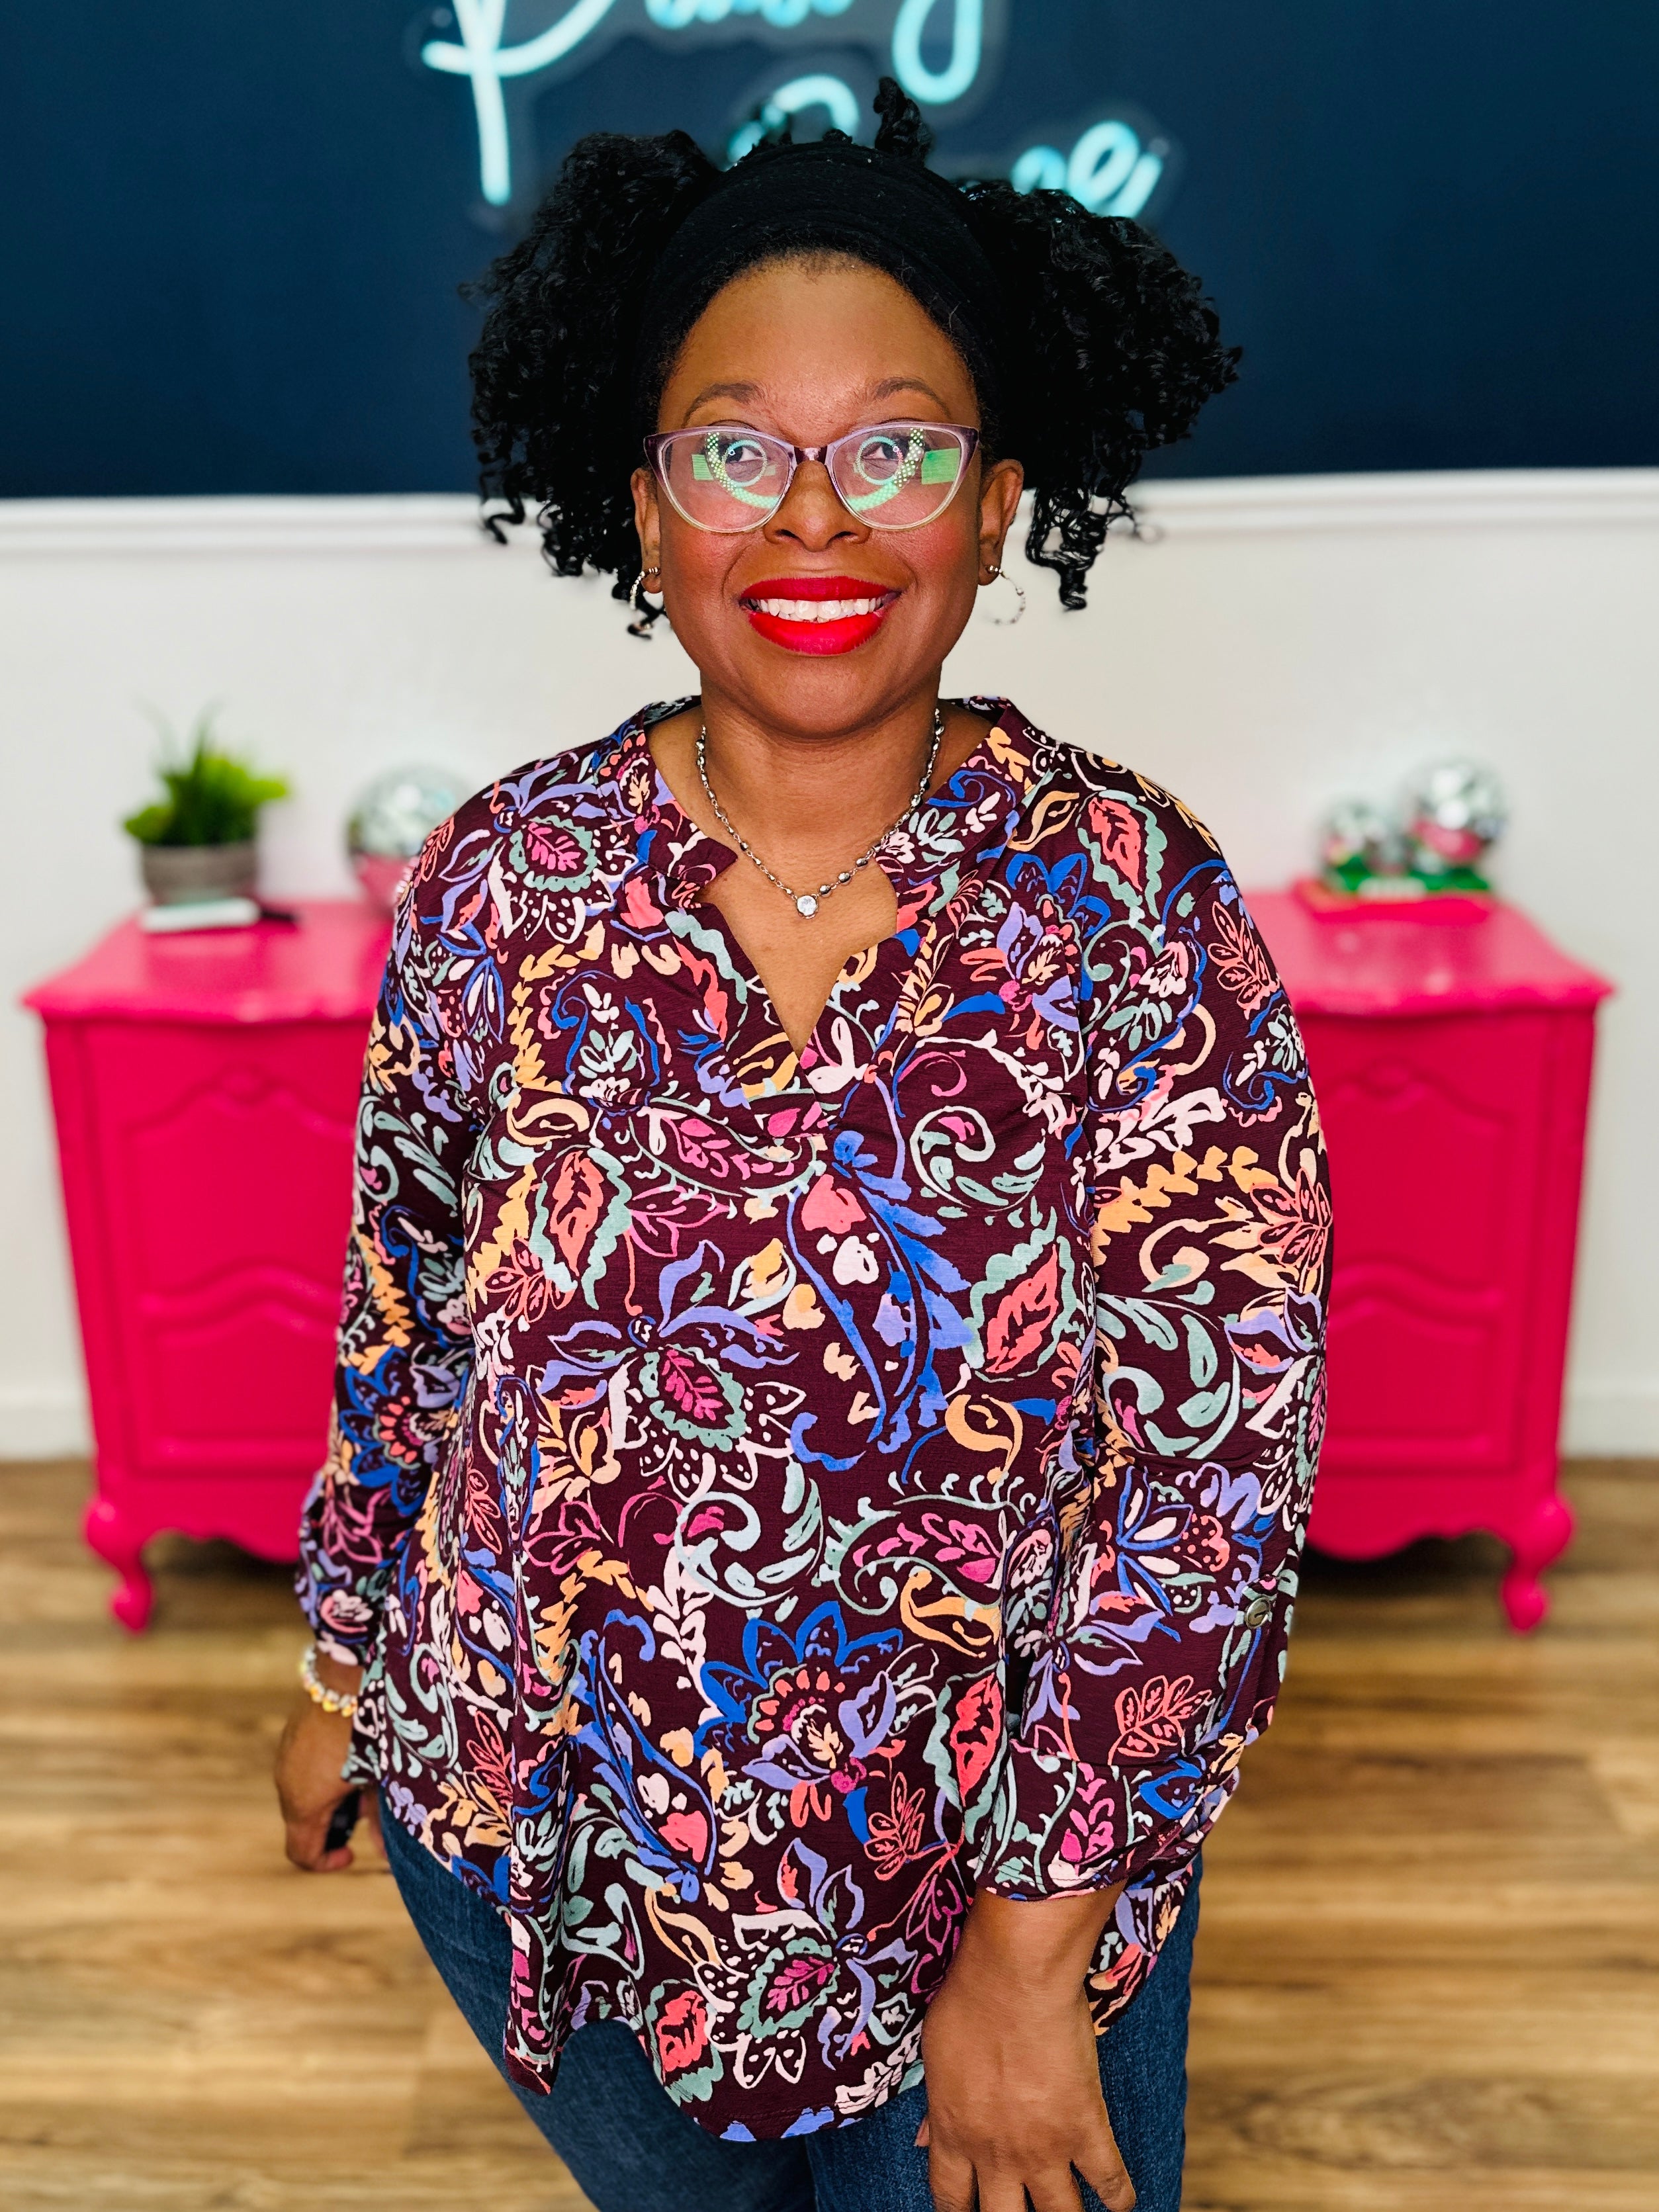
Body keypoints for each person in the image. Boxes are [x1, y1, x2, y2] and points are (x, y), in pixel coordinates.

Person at [275, 81, 1330, 2212]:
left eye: (898, 450)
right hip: (546, 1840)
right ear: (643, 506)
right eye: (737, 452)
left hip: (980, 1892)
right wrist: (341, 1669)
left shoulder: (1127, 902)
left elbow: (1205, 1490)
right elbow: (406, 1322)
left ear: (999, 507)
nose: (816, 519)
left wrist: (1025, 1965)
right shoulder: (502, 878)